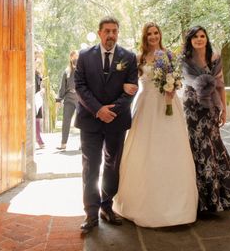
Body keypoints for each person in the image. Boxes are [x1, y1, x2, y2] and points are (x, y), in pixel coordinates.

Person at [114, 23, 198, 227]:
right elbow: (129, 80)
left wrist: (174, 85)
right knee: (145, 150)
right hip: (146, 106)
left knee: (171, 150)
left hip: (167, 104)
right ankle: (142, 204)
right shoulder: (138, 58)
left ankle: (177, 207)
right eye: (149, 34)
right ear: (145, 37)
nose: (153, 36)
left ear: (160, 34)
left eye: (156, 33)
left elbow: (178, 78)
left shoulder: (168, 55)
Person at [74, 16, 138, 233]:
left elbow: (131, 88)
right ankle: (91, 213)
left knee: (112, 165)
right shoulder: (84, 56)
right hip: (90, 121)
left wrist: (112, 111)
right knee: (90, 166)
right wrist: (98, 110)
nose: (111, 35)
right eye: (107, 31)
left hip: (116, 122)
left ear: (118, 33)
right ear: (100, 32)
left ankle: (106, 206)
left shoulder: (128, 57)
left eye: (115, 31)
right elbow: (80, 86)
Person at [181, 25, 230, 212]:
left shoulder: (215, 57)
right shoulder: (184, 60)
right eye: (195, 37)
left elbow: (219, 84)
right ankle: (199, 197)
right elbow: (191, 83)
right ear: (190, 40)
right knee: (197, 145)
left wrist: (224, 110)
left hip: (210, 106)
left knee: (212, 144)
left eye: (202, 36)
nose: (199, 39)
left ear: (206, 38)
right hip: (192, 108)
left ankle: (220, 195)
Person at [56, 50, 79, 150]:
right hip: (69, 98)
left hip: (80, 99)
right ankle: (63, 144)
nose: (74, 58)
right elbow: (62, 87)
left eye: (76, 56)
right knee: (66, 121)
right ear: (70, 58)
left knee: (82, 122)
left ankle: (83, 144)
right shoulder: (67, 71)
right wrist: (58, 100)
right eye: (73, 56)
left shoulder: (82, 69)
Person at [35, 56, 46, 150]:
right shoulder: (31, 73)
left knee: (37, 119)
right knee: (35, 119)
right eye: (37, 64)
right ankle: (38, 140)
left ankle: (38, 139)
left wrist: (42, 89)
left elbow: (40, 85)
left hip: (38, 98)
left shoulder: (38, 74)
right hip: (33, 98)